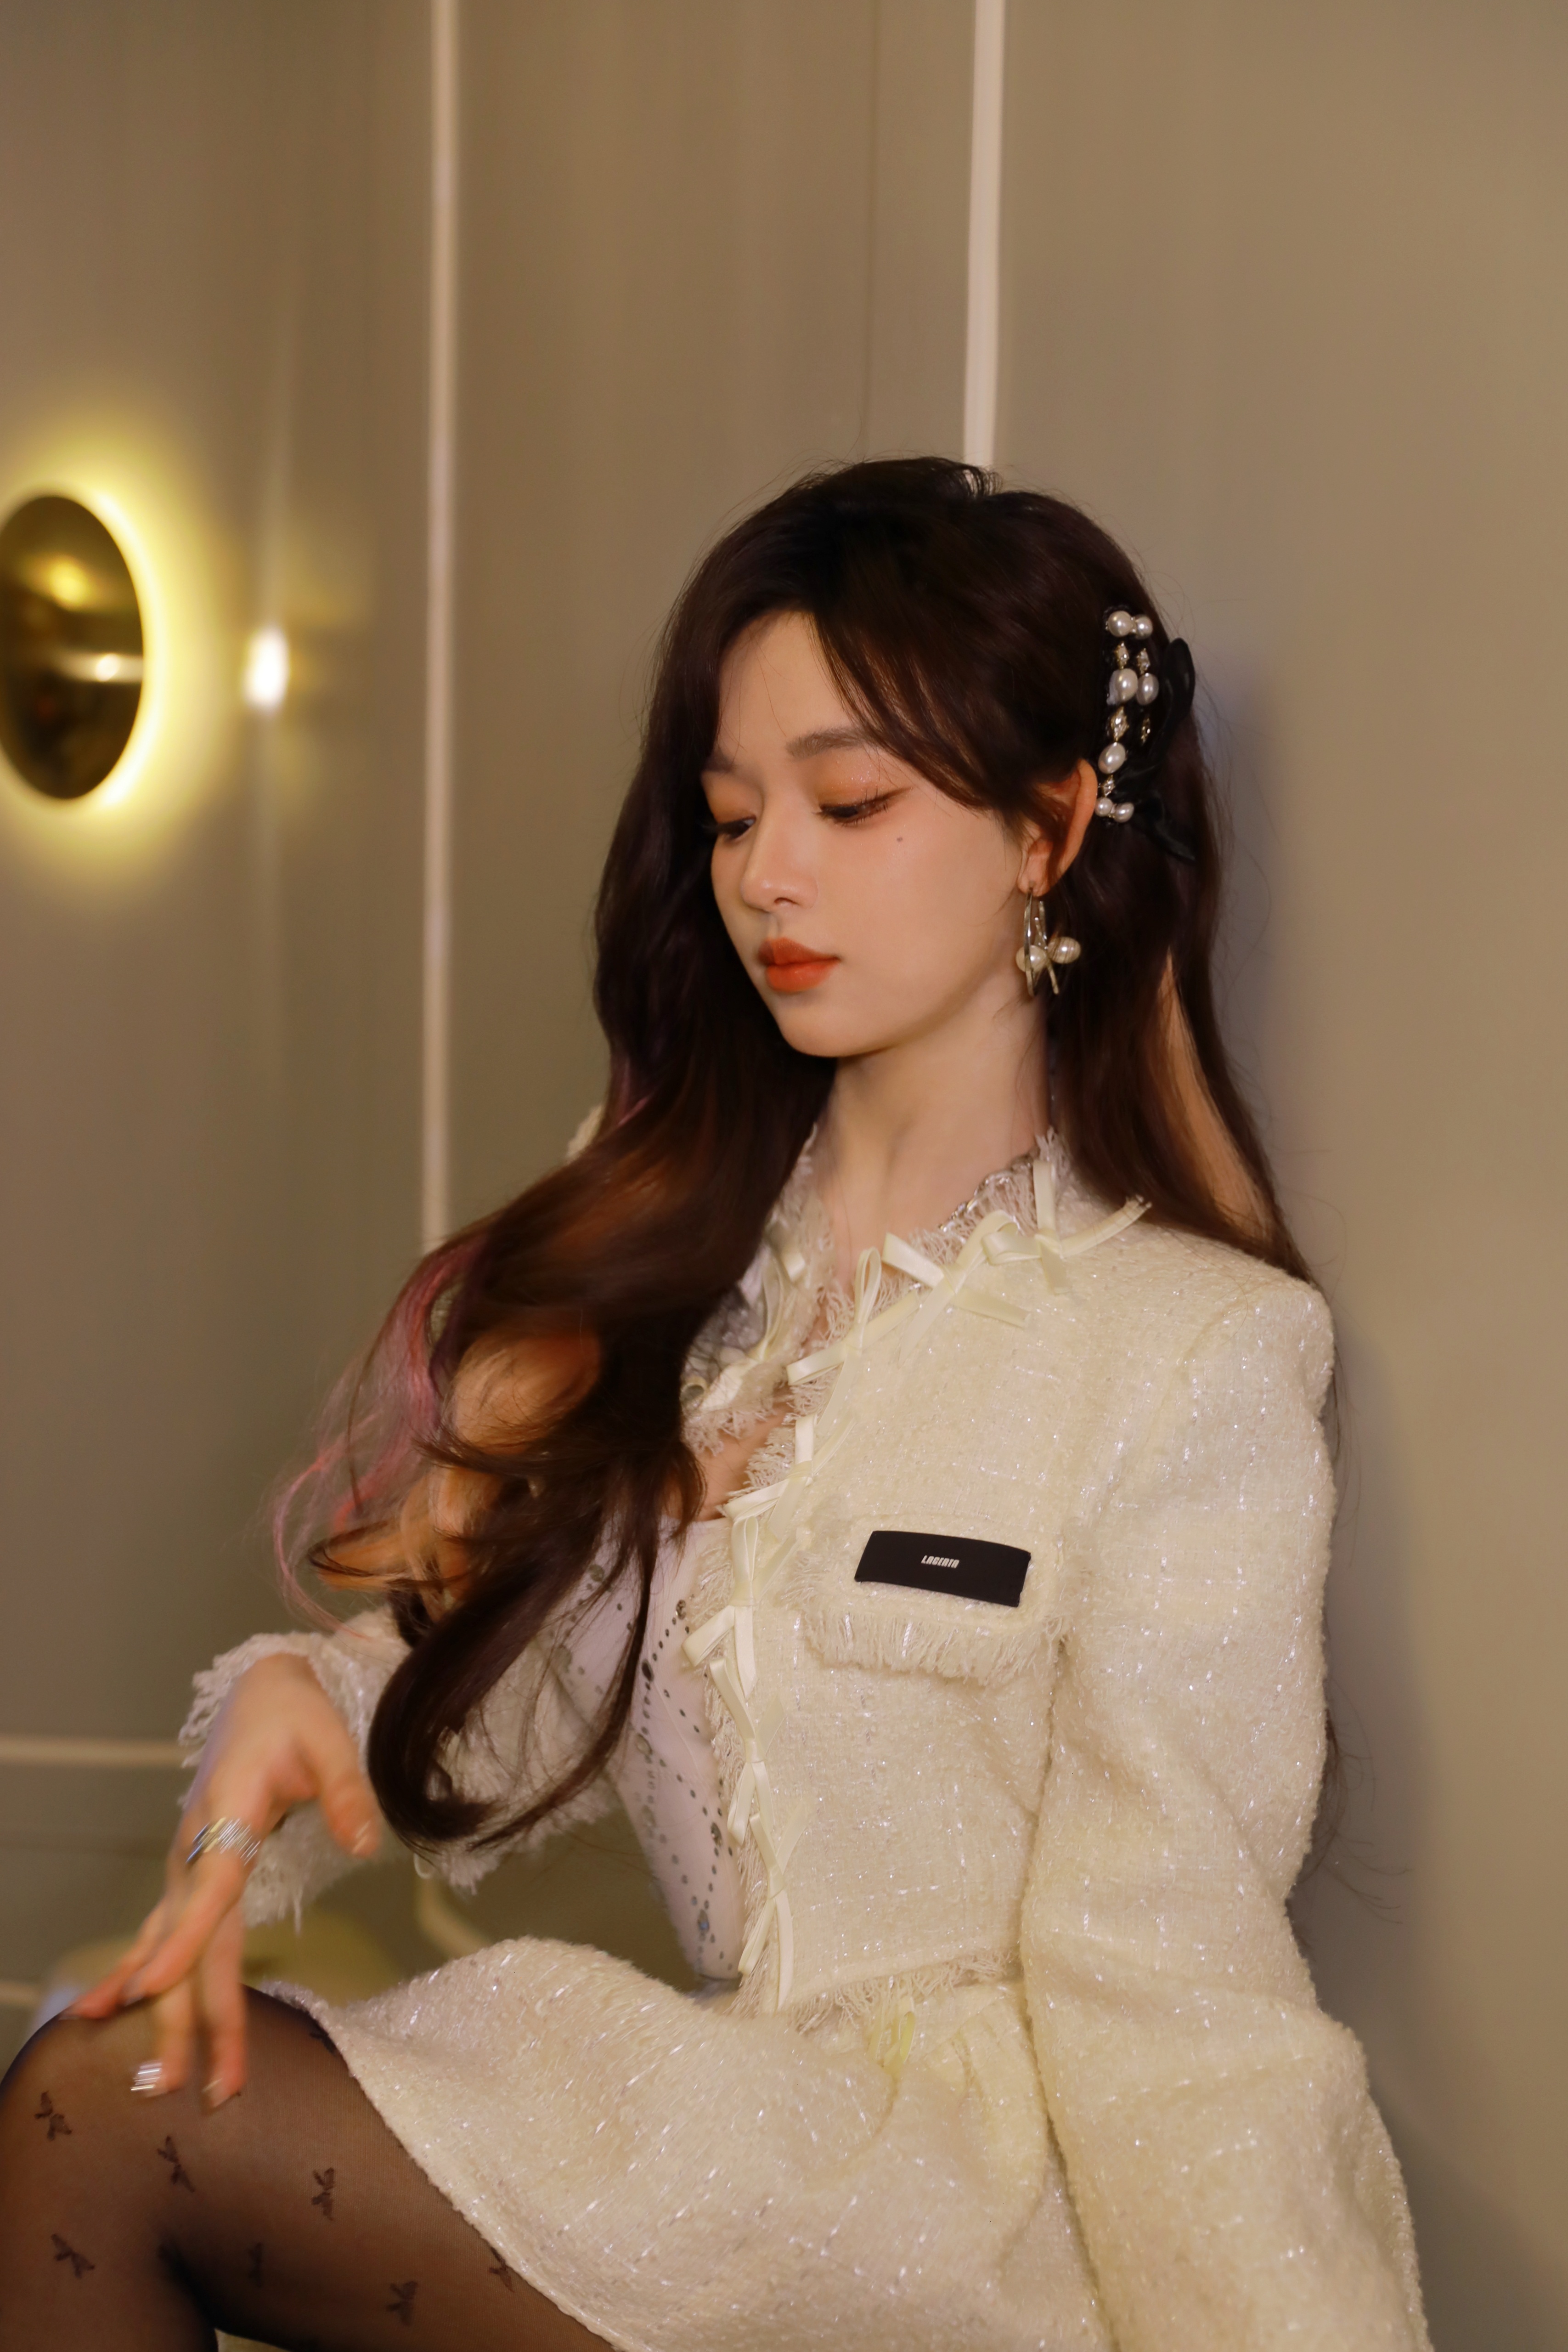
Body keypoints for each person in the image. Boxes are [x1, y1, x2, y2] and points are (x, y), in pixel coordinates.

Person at [0, 459, 1430, 2351]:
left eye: (849, 803)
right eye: (734, 812)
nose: (766, 875)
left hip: (969, 2230)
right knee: (98, 2082)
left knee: (98, 2115)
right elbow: (519, 1693)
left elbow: (1172, 1991)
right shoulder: (683, 1269)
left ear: (1047, 825)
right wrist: (311, 1702)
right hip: (732, 2157)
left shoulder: (1190, 1350)